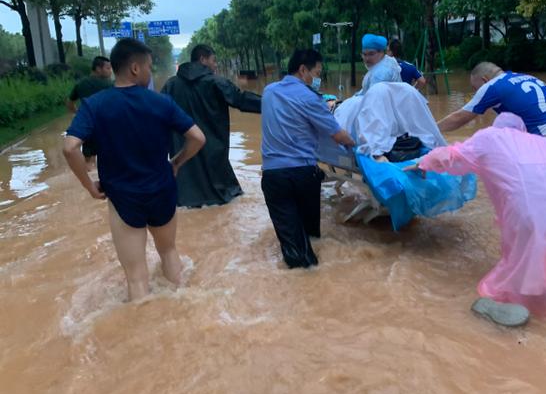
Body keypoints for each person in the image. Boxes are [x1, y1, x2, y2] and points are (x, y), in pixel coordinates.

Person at [407, 112, 546, 319]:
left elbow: (451, 155)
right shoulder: (545, 144)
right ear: (523, 130)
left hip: (527, 213)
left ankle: (535, 314)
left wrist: (423, 163)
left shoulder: (489, 137)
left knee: (521, 278)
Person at [63, 38, 206, 301]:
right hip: (162, 190)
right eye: (149, 66)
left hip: (123, 197)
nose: (151, 72)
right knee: (169, 253)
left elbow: (70, 148)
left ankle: (142, 334)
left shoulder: (94, 105)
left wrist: (89, 186)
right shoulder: (161, 102)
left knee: (136, 275)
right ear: (135, 69)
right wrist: (176, 163)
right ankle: (183, 309)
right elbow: (198, 138)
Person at [261, 49, 355, 268]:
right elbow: (338, 135)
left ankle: (302, 288)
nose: (317, 78)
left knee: (293, 246)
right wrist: (357, 145)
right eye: (317, 72)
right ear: (303, 70)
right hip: (303, 176)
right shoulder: (311, 98)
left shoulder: (268, 92)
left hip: (273, 177)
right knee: (311, 235)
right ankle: (315, 287)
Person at [161, 44, 262, 207]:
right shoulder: (217, 82)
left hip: (184, 173)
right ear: (203, 59)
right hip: (217, 168)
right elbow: (241, 100)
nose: (215, 65)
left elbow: (156, 117)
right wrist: (275, 102)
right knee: (226, 205)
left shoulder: (170, 86)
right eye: (214, 60)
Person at [438, 62, 546, 164]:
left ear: (485, 80)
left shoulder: (492, 86)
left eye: (475, 87)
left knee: (540, 199)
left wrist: (431, 130)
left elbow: (459, 118)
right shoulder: (526, 77)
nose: (476, 92)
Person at [66, 56, 113, 167]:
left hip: (88, 126)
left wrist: (78, 114)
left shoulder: (81, 84)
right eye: (108, 68)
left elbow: (69, 102)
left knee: (88, 161)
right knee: (108, 160)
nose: (110, 71)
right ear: (98, 69)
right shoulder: (109, 85)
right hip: (106, 126)